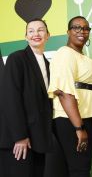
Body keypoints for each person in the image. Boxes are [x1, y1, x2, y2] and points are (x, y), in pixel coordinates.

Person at [47, 16, 92, 177]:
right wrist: (79, 128)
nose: (81, 31)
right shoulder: (65, 53)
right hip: (71, 120)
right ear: (68, 32)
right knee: (80, 170)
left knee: (81, 167)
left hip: (86, 116)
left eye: (85, 28)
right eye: (76, 27)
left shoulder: (83, 57)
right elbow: (64, 93)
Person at [0, 19, 53, 177]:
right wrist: (20, 137)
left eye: (40, 30)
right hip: (19, 141)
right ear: (26, 37)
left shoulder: (49, 65)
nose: (36, 34)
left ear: (48, 35)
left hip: (39, 140)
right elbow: (10, 99)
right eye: (31, 31)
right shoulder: (17, 59)